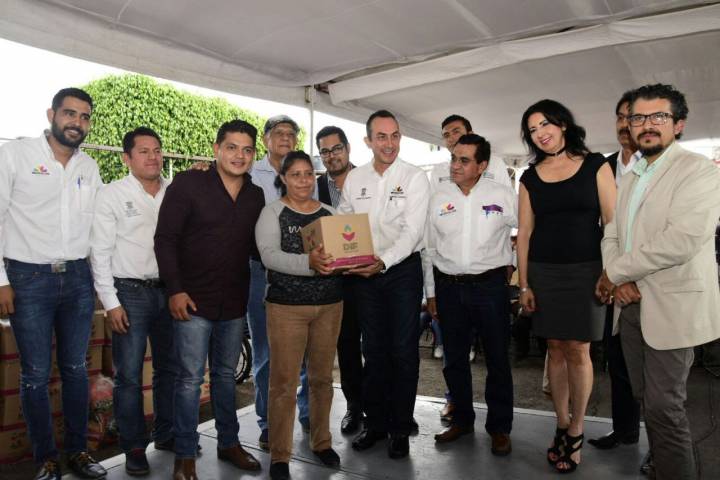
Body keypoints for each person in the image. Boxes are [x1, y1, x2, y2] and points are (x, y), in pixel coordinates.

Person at [597, 84, 720, 480]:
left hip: (672, 306)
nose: (646, 125)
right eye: (638, 117)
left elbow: (681, 241)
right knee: (645, 399)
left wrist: (616, 273)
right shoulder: (632, 176)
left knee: (665, 407)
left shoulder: (699, 171)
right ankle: (662, 463)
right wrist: (618, 279)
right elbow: (612, 234)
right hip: (630, 305)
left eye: (658, 116)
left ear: (678, 124)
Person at [0, 88, 106, 480]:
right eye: (69, 113)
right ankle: (45, 458)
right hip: (28, 278)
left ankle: (78, 452)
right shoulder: (16, 154)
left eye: (84, 116)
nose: (77, 122)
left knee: (77, 369)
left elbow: (98, 226)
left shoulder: (89, 167)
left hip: (77, 278)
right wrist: (1, 281)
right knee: (35, 374)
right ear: (52, 114)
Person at [155, 119, 264, 480]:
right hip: (192, 300)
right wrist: (175, 289)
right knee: (189, 380)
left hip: (233, 301)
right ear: (216, 149)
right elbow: (165, 239)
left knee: (225, 377)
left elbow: (257, 248)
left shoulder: (255, 195)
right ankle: (185, 455)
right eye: (231, 147)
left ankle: (229, 443)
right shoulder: (189, 183)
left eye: (247, 149)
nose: (239, 155)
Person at [517, 99, 616, 473]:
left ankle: (577, 429)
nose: (540, 133)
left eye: (545, 124)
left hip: (587, 272)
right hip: (544, 272)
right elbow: (524, 234)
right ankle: (561, 421)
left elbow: (613, 224)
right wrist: (523, 284)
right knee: (555, 349)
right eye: (532, 129)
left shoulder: (595, 165)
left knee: (579, 349)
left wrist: (611, 273)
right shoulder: (529, 177)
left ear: (562, 124)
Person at [338, 110, 429, 459]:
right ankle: (375, 424)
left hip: (402, 272)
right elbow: (345, 220)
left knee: (403, 351)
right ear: (368, 141)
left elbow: (413, 232)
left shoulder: (414, 177)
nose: (389, 144)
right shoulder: (355, 178)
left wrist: (383, 262)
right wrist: (344, 256)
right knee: (373, 350)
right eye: (381, 137)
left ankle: (400, 428)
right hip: (364, 275)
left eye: (394, 136)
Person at [423, 134, 516, 456]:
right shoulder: (438, 196)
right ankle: (462, 420)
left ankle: (500, 428)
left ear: (482, 165)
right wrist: (431, 292)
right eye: (454, 158)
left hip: (490, 288)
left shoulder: (502, 195)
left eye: (464, 160)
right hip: (448, 287)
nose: (456, 165)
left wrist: (515, 264)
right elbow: (429, 248)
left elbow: (526, 231)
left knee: (497, 359)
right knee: (454, 360)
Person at [90, 127, 175, 475]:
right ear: (127, 158)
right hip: (129, 293)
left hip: (169, 291)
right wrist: (111, 302)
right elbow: (100, 251)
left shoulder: (174, 191)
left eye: (157, 150)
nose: (152, 157)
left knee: (170, 369)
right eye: (143, 151)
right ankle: (134, 447)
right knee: (128, 375)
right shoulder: (111, 195)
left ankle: (167, 433)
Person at [255, 150, 344, 480]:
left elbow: (341, 253)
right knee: (283, 384)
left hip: (330, 306)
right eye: (296, 174)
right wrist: (310, 263)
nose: (304, 180)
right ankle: (280, 455)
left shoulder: (330, 213)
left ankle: (322, 442)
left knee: (321, 379)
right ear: (283, 178)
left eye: (309, 174)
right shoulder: (272, 213)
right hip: (286, 308)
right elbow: (269, 256)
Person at [247, 115, 312, 449]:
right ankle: (269, 421)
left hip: (303, 271)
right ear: (266, 139)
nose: (286, 137)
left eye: (291, 133)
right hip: (261, 271)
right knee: (265, 351)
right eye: (279, 133)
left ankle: (308, 413)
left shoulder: (306, 173)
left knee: (306, 349)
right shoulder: (248, 172)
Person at [588, 92, 642, 451]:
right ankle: (625, 430)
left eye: (632, 117)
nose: (625, 124)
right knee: (618, 359)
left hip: (649, 279)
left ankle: (663, 448)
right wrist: (609, 275)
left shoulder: (657, 165)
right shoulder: (603, 167)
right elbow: (601, 227)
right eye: (621, 117)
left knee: (654, 370)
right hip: (611, 278)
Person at [315, 125, 364, 434]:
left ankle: (384, 405)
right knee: (346, 345)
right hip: (336, 281)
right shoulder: (315, 186)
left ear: (348, 149)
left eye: (336, 148)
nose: (331, 155)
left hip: (371, 275)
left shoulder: (368, 179)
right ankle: (354, 406)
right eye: (325, 151)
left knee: (378, 345)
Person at [430, 114, 512, 190]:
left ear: (470, 134)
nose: (450, 139)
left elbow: (508, 197)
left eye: (456, 132)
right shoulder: (438, 171)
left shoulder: (494, 163)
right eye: (446, 135)